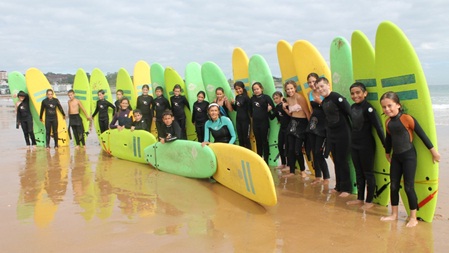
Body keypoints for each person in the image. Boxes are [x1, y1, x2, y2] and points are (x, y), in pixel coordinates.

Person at [379, 91, 440, 227]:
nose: (387, 109)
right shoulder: (387, 122)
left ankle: (413, 217)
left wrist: (433, 152)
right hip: (396, 157)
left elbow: (422, 135)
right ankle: (394, 214)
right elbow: (388, 139)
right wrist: (387, 152)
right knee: (393, 185)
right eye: (384, 107)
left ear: (398, 105)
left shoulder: (407, 118)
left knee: (408, 187)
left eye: (390, 106)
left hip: (409, 156)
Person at [345, 82, 385, 209]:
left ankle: (369, 201)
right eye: (352, 93)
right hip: (354, 144)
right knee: (358, 172)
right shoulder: (352, 107)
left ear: (365, 93)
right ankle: (360, 198)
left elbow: (378, 127)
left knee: (368, 173)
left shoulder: (369, 108)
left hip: (366, 144)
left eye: (358, 93)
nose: (355, 95)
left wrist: (386, 146)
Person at [315, 77, 352, 197]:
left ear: (328, 85)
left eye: (322, 86)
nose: (320, 89)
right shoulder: (324, 101)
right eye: (318, 88)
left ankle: (347, 188)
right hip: (333, 134)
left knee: (342, 160)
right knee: (336, 160)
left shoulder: (336, 97)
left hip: (344, 133)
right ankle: (338, 186)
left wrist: (355, 132)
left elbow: (350, 112)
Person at [305, 73, 330, 185]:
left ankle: (326, 177)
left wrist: (321, 102)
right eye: (309, 82)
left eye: (313, 81)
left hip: (322, 125)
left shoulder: (324, 94)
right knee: (314, 152)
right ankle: (318, 176)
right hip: (313, 124)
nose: (312, 84)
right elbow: (311, 110)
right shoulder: (309, 93)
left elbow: (330, 110)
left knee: (318, 151)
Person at [283, 80, 310, 178]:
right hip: (292, 123)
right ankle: (292, 171)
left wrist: (310, 128)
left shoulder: (300, 98)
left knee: (297, 150)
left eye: (291, 88)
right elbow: (291, 114)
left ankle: (303, 170)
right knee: (290, 149)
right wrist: (285, 109)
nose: (290, 91)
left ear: (295, 88)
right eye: (288, 89)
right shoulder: (288, 99)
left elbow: (307, 113)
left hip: (302, 124)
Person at [250, 82, 275, 163]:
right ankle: (259, 158)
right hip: (255, 123)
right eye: (254, 90)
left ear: (261, 89)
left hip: (264, 123)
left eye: (257, 89)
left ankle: (266, 160)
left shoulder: (266, 97)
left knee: (264, 141)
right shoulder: (252, 99)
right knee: (258, 141)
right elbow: (250, 111)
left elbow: (274, 109)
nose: (256, 91)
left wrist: (268, 110)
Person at [271, 91, 290, 170]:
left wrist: (285, 107)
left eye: (277, 98)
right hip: (282, 128)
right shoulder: (276, 107)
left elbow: (290, 115)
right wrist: (269, 110)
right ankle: (283, 163)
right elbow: (272, 117)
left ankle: (289, 165)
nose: (275, 100)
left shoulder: (286, 105)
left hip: (288, 128)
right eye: (274, 99)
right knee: (280, 145)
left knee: (288, 147)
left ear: (281, 97)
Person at [232, 81, 252, 149]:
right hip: (238, 120)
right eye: (236, 89)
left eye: (239, 88)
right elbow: (236, 109)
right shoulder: (237, 97)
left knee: (246, 139)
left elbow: (250, 109)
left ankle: (250, 156)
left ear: (243, 88)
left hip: (246, 120)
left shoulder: (246, 97)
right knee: (240, 139)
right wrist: (232, 103)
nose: (238, 90)